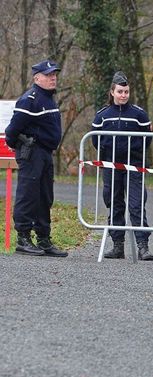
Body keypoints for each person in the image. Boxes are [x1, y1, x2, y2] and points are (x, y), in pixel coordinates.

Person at [4, 60, 68, 257]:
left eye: (54, 74)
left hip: (45, 153)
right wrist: (21, 146)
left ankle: (43, 238)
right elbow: (12, 130)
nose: (53, 78)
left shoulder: (48, 98)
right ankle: (23, 238)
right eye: (48, 75)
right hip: (32, 152)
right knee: (28, 195)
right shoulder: (30, 99)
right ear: (37, 78)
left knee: (44, 196)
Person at [91, 71, 153, 261]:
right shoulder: (102, 115)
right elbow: (95, 139)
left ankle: (142, 246)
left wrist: (133, 152)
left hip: (133, 166)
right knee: (114, 203)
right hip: (111, 166)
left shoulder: (139, 114)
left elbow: (147, 139)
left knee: (136, 205)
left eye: (126, 92)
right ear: (112, 92)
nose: (123, 95)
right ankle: (117, 245)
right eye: (120, 91)